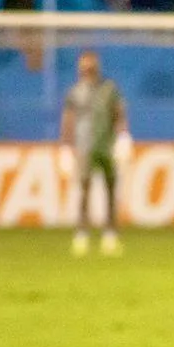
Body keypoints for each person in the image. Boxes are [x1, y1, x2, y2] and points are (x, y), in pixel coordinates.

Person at [59, 50, 130, 257]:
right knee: (84, 191)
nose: (88, 70)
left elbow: (118, 113)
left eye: (91, 66)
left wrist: (123, 136)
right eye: (84, 66)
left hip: (106, 146)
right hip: (84, 147)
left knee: (110, 190)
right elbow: (68, 120)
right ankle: (81, 235)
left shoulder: (109, 88)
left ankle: (110, 235)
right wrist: (65, 146)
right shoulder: (75, 92)